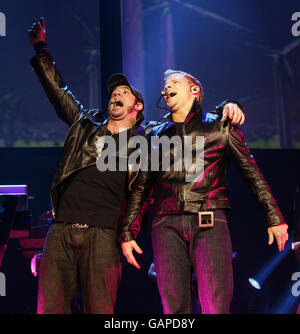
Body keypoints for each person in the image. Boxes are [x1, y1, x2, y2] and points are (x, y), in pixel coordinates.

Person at [28, 18, 244, 314]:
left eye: (124, 91)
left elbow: (185, 120)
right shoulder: (84, 124)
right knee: (48, 308)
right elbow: (57, 91)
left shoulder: (150, 137)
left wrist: (226, 106)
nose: (115, 93)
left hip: (104, 234)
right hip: (62, 228)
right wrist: (41, 49)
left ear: (138, 106)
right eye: (113, 92)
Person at [120, 69, 289, 314]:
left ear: (194, 90)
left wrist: (274, 217)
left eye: (173, 83)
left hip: (208, 220)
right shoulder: (155, 134)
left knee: (215, 306)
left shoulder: (219, 126)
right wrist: (128, 231)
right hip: (165, 225)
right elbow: (141, 186)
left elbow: (253, 174)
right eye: (164, 86)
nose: (166, 89)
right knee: (174, 309)